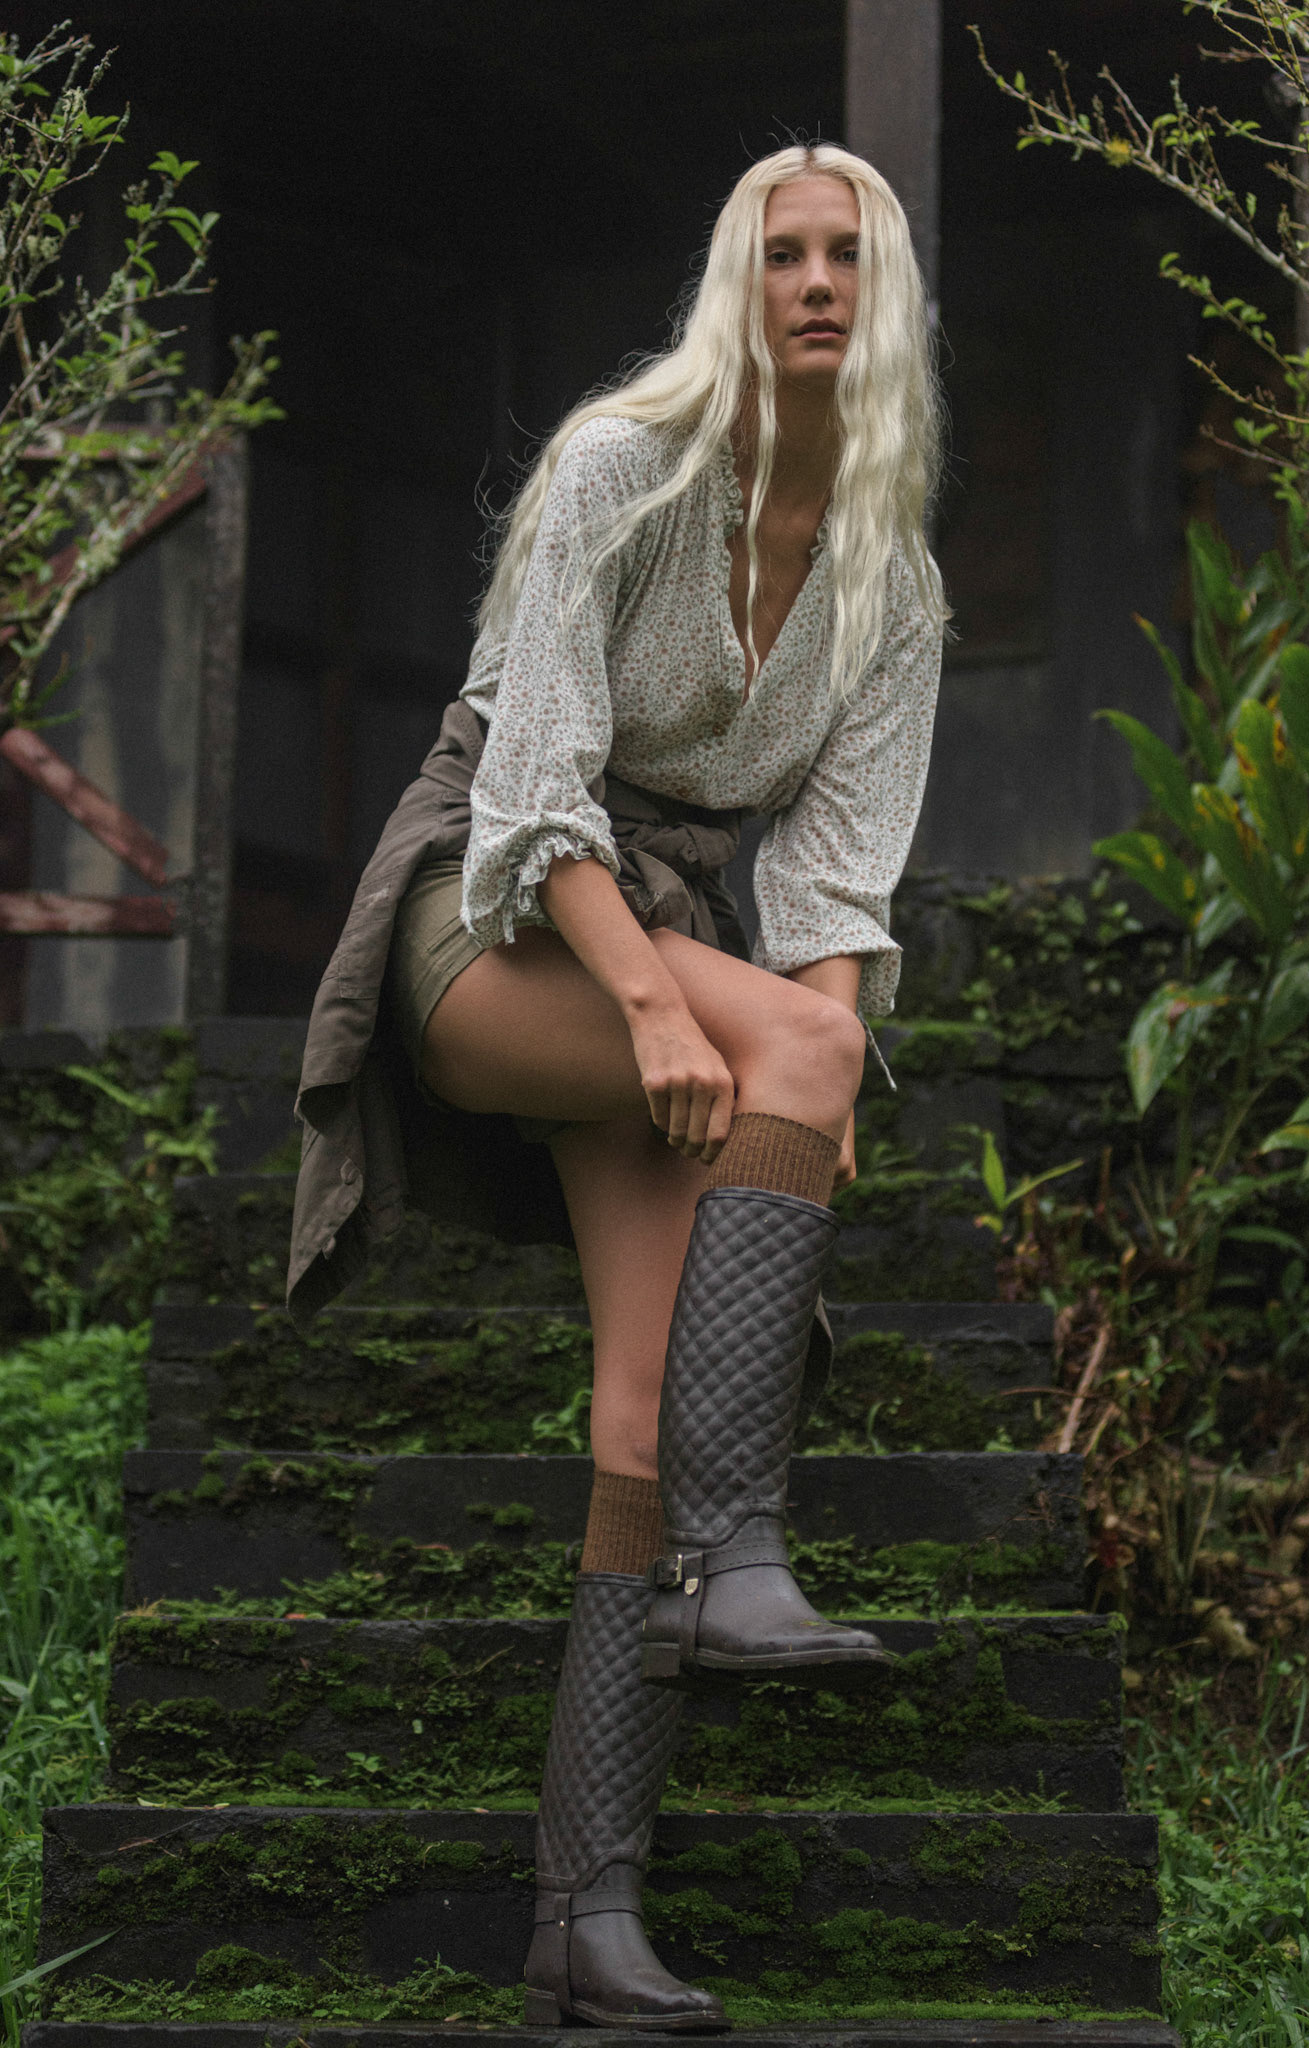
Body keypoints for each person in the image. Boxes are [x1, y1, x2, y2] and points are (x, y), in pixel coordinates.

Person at [288, 140, 946, 2032]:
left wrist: (801, 1080)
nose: (813, 282)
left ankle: (583, 1914)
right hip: (497, 907)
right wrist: (678, 1014)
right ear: (735, 283)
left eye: (846, 256)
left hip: (674, 932)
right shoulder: (618, 467)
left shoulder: (892, 583)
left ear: (887, 298)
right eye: (781, 252)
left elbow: (834, 890)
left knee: (644, 1423)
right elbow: (535, 785)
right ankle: (744, 1559)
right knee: (798, 1043)